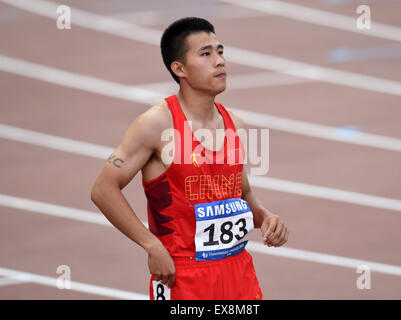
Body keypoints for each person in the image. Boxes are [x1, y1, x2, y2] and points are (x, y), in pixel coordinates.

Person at [91, 17, 289, 300]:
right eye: (206, 54)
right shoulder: (156, 125)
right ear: (179, 68)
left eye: (220, 51)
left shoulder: (234, 122)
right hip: (181, 275)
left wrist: (266, 217)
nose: (219, 61)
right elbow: (103, 189)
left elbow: (240, 192)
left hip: (238, 272)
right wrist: (152, 246)